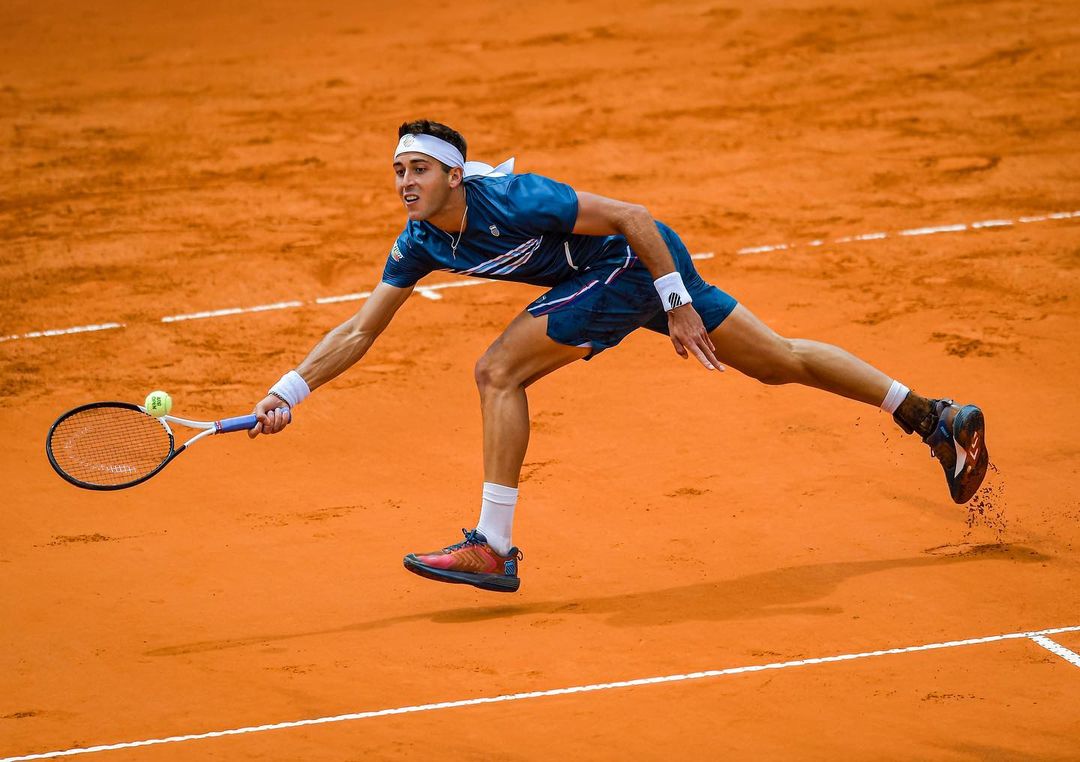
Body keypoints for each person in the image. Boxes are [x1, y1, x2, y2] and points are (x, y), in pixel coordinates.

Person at [249, 119, 989, 593]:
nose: (406, 182)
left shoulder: (514, 199)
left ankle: (494, 548)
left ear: (452, 174)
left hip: (636, 264)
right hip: (612, 279)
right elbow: (359, 330)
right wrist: (289, 391)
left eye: (419, 168)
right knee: (778, 360)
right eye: (398, 171)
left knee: (497, 370)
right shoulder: (421, 243)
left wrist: (675, 301)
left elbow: (634, 216)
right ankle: (933, 417)